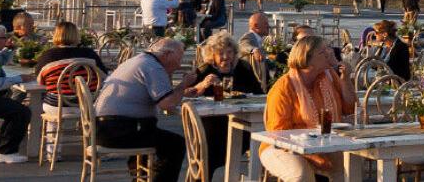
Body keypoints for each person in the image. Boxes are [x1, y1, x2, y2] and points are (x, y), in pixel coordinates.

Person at [95, 38, 207, 182]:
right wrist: (182, 85)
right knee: (175, 144)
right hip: (119, 130)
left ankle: (140, 179)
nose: (179, 64)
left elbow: (158, 95)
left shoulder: (141, 60)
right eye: (179, 58)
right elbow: (166, 104)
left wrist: (181, 92)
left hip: (106, 128)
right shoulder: (153, 67)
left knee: (152, 136)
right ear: (167, 54)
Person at [261, 36, 357, 182]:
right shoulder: (284, 87)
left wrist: (345, 78)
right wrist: (313, 154)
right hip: (281, 147)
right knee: (301, 175)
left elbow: (351, 109)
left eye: (328, 49)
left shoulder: (329, 76)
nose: (329, 54)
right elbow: (279, 134)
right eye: (323, 52)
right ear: (307, 58)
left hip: (322, 144)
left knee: (351, 165)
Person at [191, 32, 264, 176]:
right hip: (212, 119)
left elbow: (258, 92)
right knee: (210, 146)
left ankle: (244, 174)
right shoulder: (206, 69)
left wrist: (244, 95)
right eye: (221, 53)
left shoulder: (243, 67)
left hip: (240, 117)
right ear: (212, 55)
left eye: (229, 52)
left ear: (235, 52)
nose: (226, 57)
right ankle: (203, 174)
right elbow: (188, 93)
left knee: (255, 135)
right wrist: (203, 85)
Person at [34, 21, 110, 106]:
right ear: (76, 35)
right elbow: (104, 76)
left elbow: (39, 81)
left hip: (57, 104)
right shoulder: (89, 54)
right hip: (88, 104)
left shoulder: (48, 56)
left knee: (41, 96)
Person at [0, 26, 31, 163]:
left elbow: (0, 60)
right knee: (22, 112)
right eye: (3, 38)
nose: (6, 39)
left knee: (13, 110)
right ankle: (6, 152)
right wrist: (19, 78)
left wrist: (9, 49)